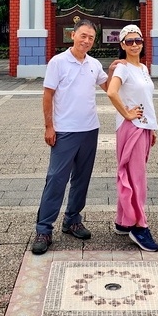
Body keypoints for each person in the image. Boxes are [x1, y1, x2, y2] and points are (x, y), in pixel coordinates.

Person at [31, 19, 109, 255]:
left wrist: (125, 71)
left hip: (89, 130)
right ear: (73, 35)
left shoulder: (94, 64)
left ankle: (72, 220)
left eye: (91, 38)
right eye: (83, 35)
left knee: (81, 180)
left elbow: (110, 88)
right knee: (56, 180)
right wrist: (49, 126)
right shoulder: (58, 62)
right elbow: (47, 95)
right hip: (65, 131)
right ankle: (44, 229)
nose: (86, 41)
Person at [105, 24, 158, 252]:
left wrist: (152, 127)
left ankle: (123, 220)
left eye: (138, 40)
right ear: (122, 45)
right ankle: (139, 226)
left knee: (133, 174)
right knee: (137, 179)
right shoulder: (123, 68)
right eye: (129, 41)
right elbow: (110, 91)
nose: (134, 44)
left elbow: (146, 99)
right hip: (131, 127)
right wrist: (126, 113)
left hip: (144, 127)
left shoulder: (144, 69)